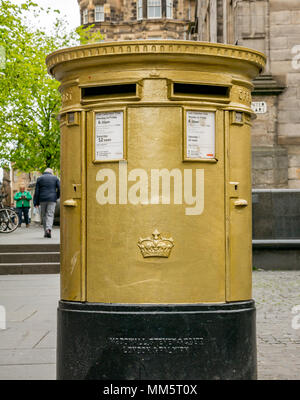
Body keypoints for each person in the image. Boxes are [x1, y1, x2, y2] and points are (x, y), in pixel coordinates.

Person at [33, 168, 60, 238]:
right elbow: (60, 188)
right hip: (52, 199)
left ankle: (46, 231)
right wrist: (56, 196)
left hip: (42, 199)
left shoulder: (39, 178)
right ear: (51, 172)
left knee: (44, 215)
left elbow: (37, 191)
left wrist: (35, 202)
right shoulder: (55, 178)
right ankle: (49, 229)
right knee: (50, 214)